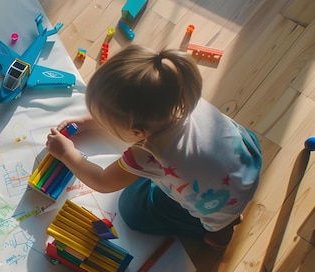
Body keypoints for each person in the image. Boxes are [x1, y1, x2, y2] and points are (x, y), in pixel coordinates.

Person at [46, 45, 262, 250]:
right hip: (248, 162)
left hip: (219, 208)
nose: (102, 123)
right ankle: (228, 216)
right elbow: (134, 116)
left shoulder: (147, 153)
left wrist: (66, 153)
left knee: (131, 209)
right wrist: (87, 122)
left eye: (108, 123)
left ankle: (219, 233)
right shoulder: (180, 98)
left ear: (138, 133)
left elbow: (102, 181)